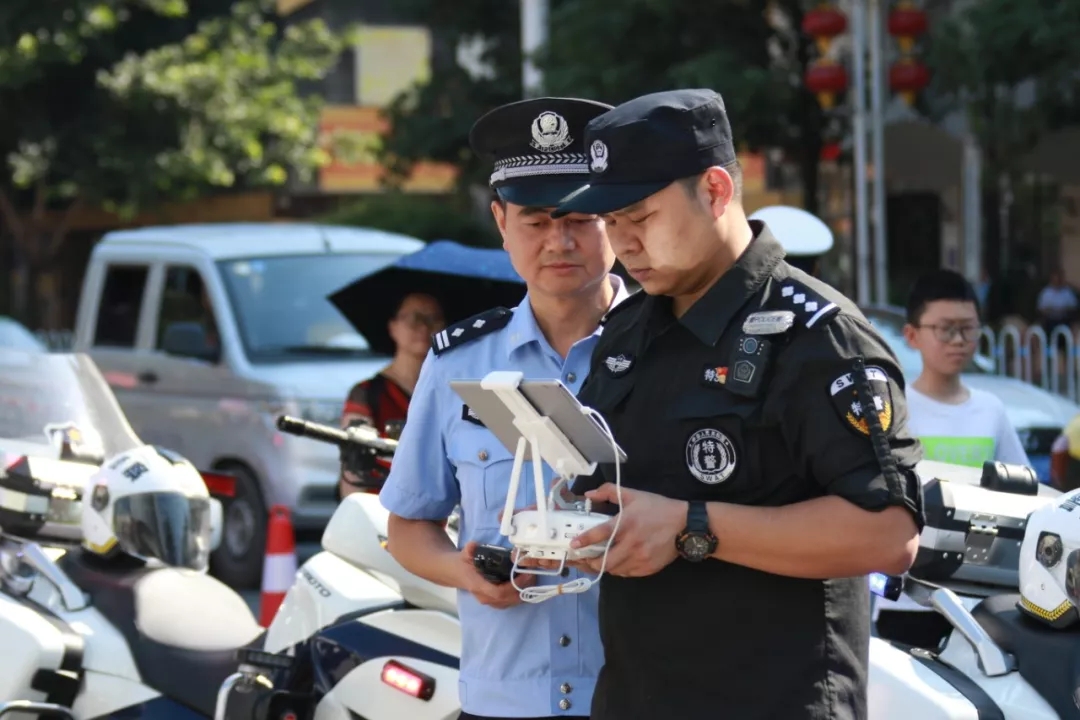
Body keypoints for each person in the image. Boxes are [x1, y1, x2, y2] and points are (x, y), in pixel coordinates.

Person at [550, 88, 925, 720]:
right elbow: (624, 492)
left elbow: (889, 534)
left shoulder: (818, 336)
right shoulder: (628, 330)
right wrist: (566, 522)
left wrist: (693, 527)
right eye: (611, 223)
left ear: (716, 191)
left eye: (639, 217)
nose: (624, 243)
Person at [378, 96, 629, 720]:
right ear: (500, 221)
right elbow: (408, 527)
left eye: (580, 217)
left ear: (615, 215)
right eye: (536, 221)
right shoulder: (459, 364)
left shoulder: (672, 349)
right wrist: (463, 572)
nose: (559, 241)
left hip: (639, 695)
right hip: (504, 698)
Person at [900, 269, 1029, 469]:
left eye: (968, 328)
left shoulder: (990, 409)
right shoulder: (896, 412)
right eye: (945, 329)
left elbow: (1022, 482)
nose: (958, 340)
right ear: (912, 335)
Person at [337, 291, 446, 500]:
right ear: (393, 327)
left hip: (439, 505)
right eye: (414, 318)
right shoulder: (366, 393)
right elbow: (353, 465)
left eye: (434, 319)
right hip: (380, 505)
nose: (424, 327)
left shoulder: (451, 390)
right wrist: (353, 508)